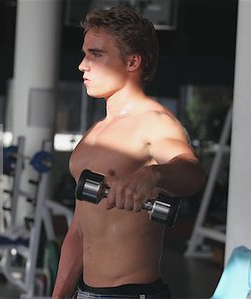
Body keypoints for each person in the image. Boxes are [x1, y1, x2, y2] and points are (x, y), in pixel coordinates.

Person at [52, 5, 206, 299]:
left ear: (132, 61)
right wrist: (59, 295)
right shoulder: (93, 136)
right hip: (85, 293)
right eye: (85, 54)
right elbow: (79, 230)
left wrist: (153, 174)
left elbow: (192, 171)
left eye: (96, 54)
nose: (82, 65)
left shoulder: (155, 122)